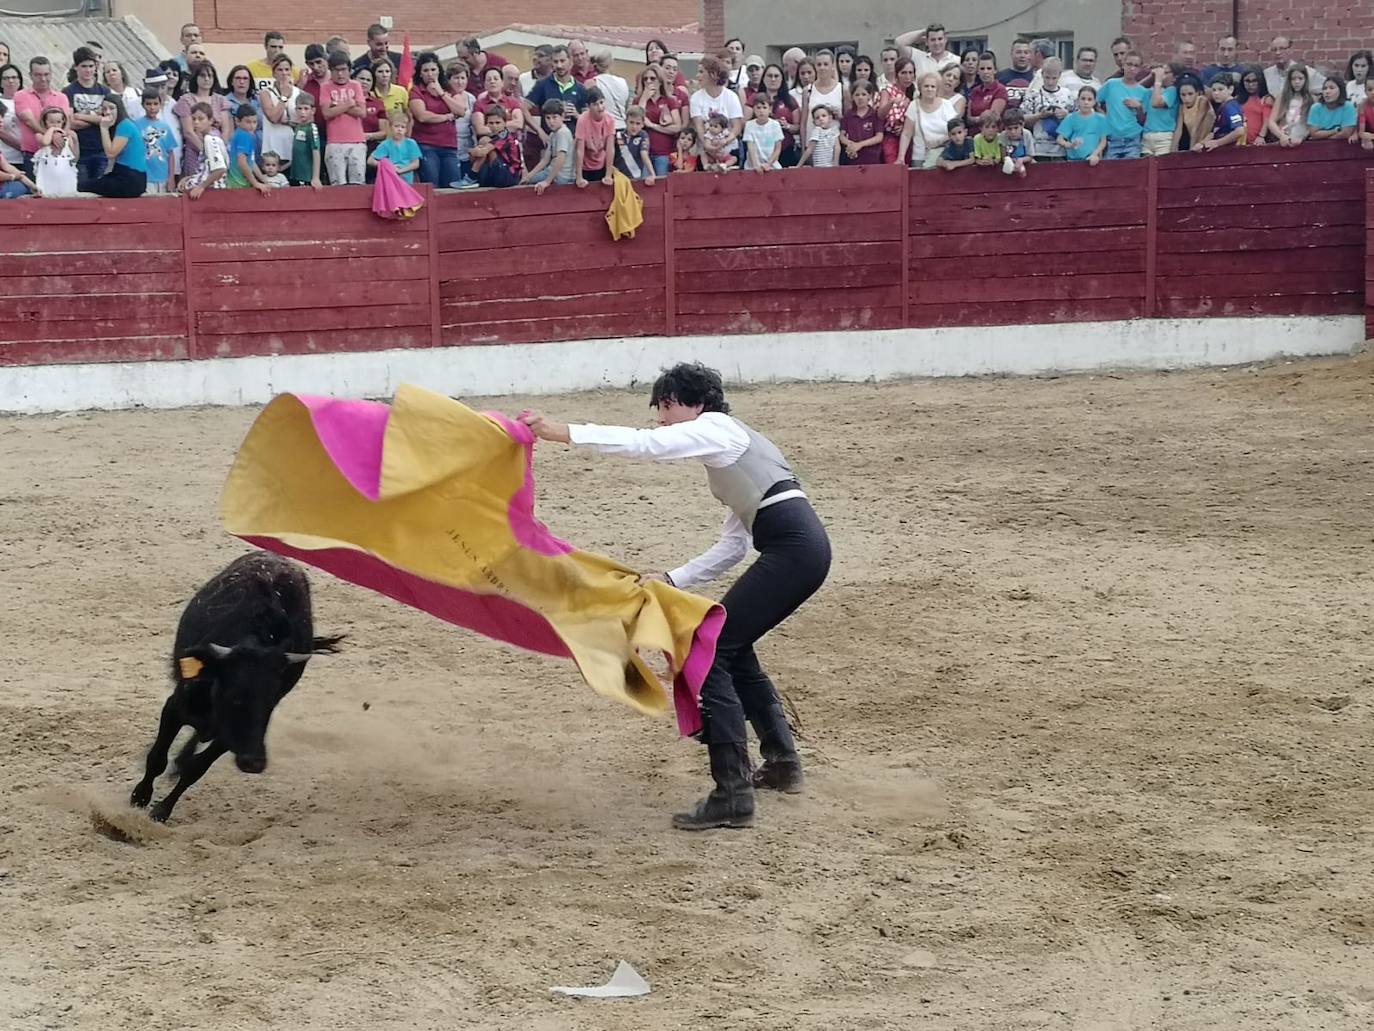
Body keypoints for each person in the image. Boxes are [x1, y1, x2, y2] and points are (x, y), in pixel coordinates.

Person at [519, 364, 831, 830]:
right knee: (733, 647)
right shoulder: (733, 448)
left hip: (795, 551)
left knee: (715, 651)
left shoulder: (718, 430)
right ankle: (782, 763)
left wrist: (560, 432)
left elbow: (647, 446)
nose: (661, 419)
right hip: (801, 549)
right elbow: (735, 544)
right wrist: (672, 577)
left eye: (666, 407)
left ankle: (733, 794)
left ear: (693, 403)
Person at [408, 52, 466, 187]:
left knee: (453, 185)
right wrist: (446, 117)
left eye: (433, 70)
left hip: (449, 146)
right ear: (420, 73)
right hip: (427, 145)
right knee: (431, 185)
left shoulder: (448, 89)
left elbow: (461, 110)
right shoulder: (416, 91)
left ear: (439, 71)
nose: (430, 74)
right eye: (426, 70)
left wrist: (441, 93)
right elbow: (422, 116)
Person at [80, 95, 147, 197]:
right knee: (90, 184)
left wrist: (103, 128)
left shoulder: (125, 125)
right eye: (104, 109)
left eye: (111, 108)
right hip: (124, 173)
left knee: (82, 186)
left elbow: (110, 153)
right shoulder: (122, 125)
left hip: (131, 178)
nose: (107, 112)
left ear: (119, 109)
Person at [174, 60, 229, 180]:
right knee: (195, 183)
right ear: (196, 78)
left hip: (217, 149)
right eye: (203, 75)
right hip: (195, 150)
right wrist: (205, 152)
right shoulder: (186, 100)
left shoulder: (220, 100)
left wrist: (218, 150)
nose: (207, 79)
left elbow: (226, 130)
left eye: (210, 76)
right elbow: (188, 132)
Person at [64, 46, 111, 182]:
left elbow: (109, 119)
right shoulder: (68, 91)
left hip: (101, 150)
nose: (88, 70)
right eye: (84, 66)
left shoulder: (105, 91)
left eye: (91, 66)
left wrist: (82, 116)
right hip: (80, 152)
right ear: (76, 67)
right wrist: (96, 118)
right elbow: (71, 122)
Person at [897, 71, 959, 169]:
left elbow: (956, 130)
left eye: (933, 86)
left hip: (946, 156)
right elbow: (906, 133)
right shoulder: (914, 105)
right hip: (921, 158)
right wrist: (901, 157)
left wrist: (940, 141)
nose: (929, 89)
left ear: (937, 89)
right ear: (920, 88)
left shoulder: (946, 105)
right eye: (926, 86)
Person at [321, 52, 366, 184]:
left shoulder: (355, 85)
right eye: (336, 70)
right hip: (335, 141)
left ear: (349, 70)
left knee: (357, 182)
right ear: (330, 70)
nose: (340, 74)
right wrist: (348, 104)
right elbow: (326, 113)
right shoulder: (326, 87)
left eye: (343, 70)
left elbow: (362, 112)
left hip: (357, 140)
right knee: (338, 182)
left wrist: (337, 106)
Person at [1097, 51, 1148, 159]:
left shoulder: (1143, 92)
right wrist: (1102, 116)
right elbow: (1094, 100)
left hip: (1133, 139)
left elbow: (1144, 121)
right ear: (1123, 65)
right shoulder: (1111, 84)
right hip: (1112, 138)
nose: (1132, 68)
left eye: (1136, 66)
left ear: (1140, 69)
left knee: (1131, 173)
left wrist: (1138, 107)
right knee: (1111, 173)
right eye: (1129, 64)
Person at [691, 55, 744, 155]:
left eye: (701, 72)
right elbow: (699, 126)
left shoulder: (731, 96)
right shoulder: (696, 98)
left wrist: (725, 141)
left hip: (729, 151)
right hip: (705, 152)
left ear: (713, 74)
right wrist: (708, 146)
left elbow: (736, 126)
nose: (697, 76)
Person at [1022, 57, 1073, 159]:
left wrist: (1066, 114)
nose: (1050, 82)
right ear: (1042, 75)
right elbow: (1022, 118)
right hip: (1038, 150)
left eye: (1054, 78)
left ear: (1060, 75)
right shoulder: (1033, 94)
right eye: (1047, 77)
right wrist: (1039, 115)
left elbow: (1078, 118)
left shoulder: (1067, 94)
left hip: (1061, 150)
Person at [259, 55, 301, 175]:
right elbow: (273, 117)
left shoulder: (299, 93)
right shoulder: (265, 93)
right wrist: (283, 97)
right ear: (274, 73)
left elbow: (304, 119)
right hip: (272, 151)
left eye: (287, 69)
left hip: (293, 146)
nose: (284, 73)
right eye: (280, 70)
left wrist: (286, 121)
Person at [637, 64, 681, 177]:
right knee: (644, 186)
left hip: (663, 153)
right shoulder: (638, 100)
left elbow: (677, 127)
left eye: (652, 78)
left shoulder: (670, 100)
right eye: (645, 79)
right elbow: (637, 123)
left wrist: (653, 126)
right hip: (643, 153)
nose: (648, 81)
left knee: (662, 185)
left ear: (660, 81)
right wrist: (643, 99)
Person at [522, 98, 574, 191]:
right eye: (548, 118)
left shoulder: (563, 132)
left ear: (562, 116)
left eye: (554, 117)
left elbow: (560, 159)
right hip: (551, 171)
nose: (551, 121)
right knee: (527, 180)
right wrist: (529, 176)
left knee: (530, 186)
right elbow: (545, 159)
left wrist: (547, 181)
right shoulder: (553, 134)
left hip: (561, 175)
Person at [177, 102, 228, 196]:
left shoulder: (210, 140)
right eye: (193, 119)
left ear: (210, 120)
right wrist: (189, 178)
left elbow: (220, 169)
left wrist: (201, 187)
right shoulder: (208, 139)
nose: (196, 122)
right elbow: (208, 170)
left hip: (212, 192)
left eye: (201, 119)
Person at [465, 105, 522, 188]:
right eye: (491, 123)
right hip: (496, 172)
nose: (494, 126)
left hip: (510, 175)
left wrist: (470, 151)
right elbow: (475, 156)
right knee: (484, 141)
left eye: (498, 123)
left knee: (486, 145)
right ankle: (474, 179)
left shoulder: (504, 135)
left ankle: (471, 177)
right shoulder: (492, 136)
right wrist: (474, 152)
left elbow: (482, 152)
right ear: (486, 124)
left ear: (504, 123)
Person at [133, 89, 175, 193]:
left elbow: (170, 153)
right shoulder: (136, 125)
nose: (152, 107)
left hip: (162, 176)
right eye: (148, 104)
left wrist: (171, 177)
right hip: (144, 177)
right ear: (143, 105)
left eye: (155, 104)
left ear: (160, 105)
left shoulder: (165, 127)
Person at [573, 85, 615, 185]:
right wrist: (579, 177)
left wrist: (608, 175)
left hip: (601, 163)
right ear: (588, 106)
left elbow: (610, 149)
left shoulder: (610, 120)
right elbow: (579, 150)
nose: (600, 107)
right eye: (595, 104)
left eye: (601, 103)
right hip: (585, 166)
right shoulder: (582, 120)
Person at [1057, 85, 1108, 164]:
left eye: (1089, 99)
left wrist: (1094, 155)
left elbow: (1103, 142)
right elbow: (1060, 139)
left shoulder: (1101, 119)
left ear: (1094, 102)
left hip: (1093, 160)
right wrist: (1069, 145)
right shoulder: (1070, 118)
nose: (1086, 102)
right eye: (1083, 99)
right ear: (1078, 100)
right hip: (1073, 161)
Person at [1194, 73, 1246, 150]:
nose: (1216, 93)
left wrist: (1217, 142)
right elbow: (1214, 132)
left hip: (1230, 152)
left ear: (1230, 89)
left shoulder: (1230, 107)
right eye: (1214, 90)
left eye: (1220, 89)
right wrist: (1202, 143)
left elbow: (1239, 131)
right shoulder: (1222, 107)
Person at [878, 57, 915, 164]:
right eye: (903, 73)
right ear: (897, 74)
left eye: (910, 73)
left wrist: (904, 127)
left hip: (909, 138)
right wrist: (892, 102)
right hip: (890, 138)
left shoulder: (915, 93)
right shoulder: (887, 90)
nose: (907, 77)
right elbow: (880, 114)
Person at [33, 108, 78, 196]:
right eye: (51, 122)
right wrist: (52, 130)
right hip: (47, 177)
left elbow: (74, 157)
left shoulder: (67, 138)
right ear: (45, 122)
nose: (55, 125)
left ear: (63, 122)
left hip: (66, 177)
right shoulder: (39, 136)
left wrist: (74, 139)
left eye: (58, 122)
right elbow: (45, 142)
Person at [225, 104, 269, 192]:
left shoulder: (245, 135)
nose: (252, 126)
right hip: (237, 184)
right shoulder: (244, 136)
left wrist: (264, 180)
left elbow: (251, 162)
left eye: (254, 122)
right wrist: (255, 183)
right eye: (248, 122)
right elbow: (242, 162)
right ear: (237, 121)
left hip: (240, 184)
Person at [1266, 65, 1313, 147]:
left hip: (1302, 141)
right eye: (1293, 79)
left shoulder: (1311, 99)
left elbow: (1312, 125)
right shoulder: (1282, 97)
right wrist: (1281, 136)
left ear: (1306, 80)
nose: (1297, 82)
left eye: (1300, 78)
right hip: (1283, 138)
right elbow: (1271, 122)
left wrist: (1302, 137)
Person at [368, 108, 421, 181]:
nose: (399, 129)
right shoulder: (385, 144)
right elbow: (370, 161)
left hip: (408, 179)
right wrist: (387, 167)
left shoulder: (411, 143)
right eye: (396, 126)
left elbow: (416, 163)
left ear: (406, 129)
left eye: (402, 127)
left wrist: (401, 170)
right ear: (390, 127)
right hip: (390, 178)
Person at [840, 79, 883, 165]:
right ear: (852, 97)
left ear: (870, 96)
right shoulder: (848, 115)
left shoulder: (875, 114)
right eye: (857, 95)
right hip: (853, 158)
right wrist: (851, 145)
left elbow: (879, 137)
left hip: (872, 158)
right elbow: (842, 136)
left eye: (864, 94)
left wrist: (860, 145)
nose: (860, 97)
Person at [1305, 75, 1357, 141]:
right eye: (1325, 88)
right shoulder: (1315, 108)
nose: (1327, 91)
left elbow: (1346, 134)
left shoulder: (1348, 106)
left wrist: (1324, 138)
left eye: (1332, 88)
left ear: (1340, 90)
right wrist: (1336, 131)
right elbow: (1314, 134)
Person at [287, 93, 323, 188]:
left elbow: (316, 152)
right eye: (299, 108)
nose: (302, 112)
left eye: (306, 109)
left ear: (313, 110)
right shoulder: (298, 127)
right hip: (295, 174)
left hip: (306, 175)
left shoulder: (311, 128)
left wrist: (315, 177)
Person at [1143, 65, 1179, 155]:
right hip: (1147, 135)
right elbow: (1134, 90)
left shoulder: (1172, 90)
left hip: (1164, 136)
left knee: (1161, 166)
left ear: (1174, 77)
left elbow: (1156, 103)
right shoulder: (1152, 91)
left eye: (1166, 73)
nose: (1163, 75)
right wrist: (1151, 77)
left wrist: (1158, 81)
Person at [1172, 74, 1214, 152]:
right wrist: (1172, 151)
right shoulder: (1182, 107)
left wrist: (1191, 150)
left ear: (1197, 93)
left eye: (1190, 94)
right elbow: (1178, 130)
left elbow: (1196, 127)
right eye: (1183, 95)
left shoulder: (1202, 101)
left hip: (1208, 141)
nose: (1186, 98)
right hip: (1195, 142)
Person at [742, 93, 783, 171]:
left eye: (764, 107)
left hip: (771, 166)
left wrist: (768, 164)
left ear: (770, 109)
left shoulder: (775, 125)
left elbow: (777, 148)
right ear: (754, 109)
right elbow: (750, 147)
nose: (761, 111)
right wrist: (755, 166)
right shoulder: (749, 125)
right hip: (752, 167)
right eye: (758, 108)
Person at [614, 104, 655, 182]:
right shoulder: (618, 135)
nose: (634, 126)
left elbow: (644, 153)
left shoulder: (643, 135)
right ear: (626, 122)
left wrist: (652, 174)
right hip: (618, 178)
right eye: (631, 122)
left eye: (638, 123)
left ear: (643, 124)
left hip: (635, 178)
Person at [591, 50, 630, 129]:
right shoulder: (623, 82)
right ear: (611, 63)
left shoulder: (593, 83)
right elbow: (627, 106)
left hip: (603, 127)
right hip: (622, 126)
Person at [1236, 65, 1273, 145]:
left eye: (1254, 81)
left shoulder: (1265, 99)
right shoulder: (1237, 100)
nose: (1251, 85)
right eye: (1247, 81)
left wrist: (1261, 136)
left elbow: (1267, 120)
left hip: (1258, 142)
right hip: (1239, 142)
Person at [968, 53, 1009, 124]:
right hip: (972, 133)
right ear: (977, 71)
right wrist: (980, 118)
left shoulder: (1000, 89)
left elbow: (992, 118)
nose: (985, 72)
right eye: (982, 69)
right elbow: (968, 118)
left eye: (989, 68)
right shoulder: (974, 91)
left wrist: (976, 119)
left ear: (995, 70)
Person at [997, 38, 1036, 107]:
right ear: (1011, 54)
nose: (1022, 56)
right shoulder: (999, 77)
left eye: (1026, 52)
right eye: (1018, 52)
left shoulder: (1037, 78)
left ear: (1030, 55)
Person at [999, 108, 1034, 175]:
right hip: (1009, 164)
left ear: (1022, 125)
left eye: (1016, 128)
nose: (1013, 132)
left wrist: (1021, 160)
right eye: (1009, 129)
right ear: (1005, 127)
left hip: (1026, 163)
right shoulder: (1003, 136)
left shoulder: (1027, 134)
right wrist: (1012, 161)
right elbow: (1003, 157)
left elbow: (1030, 156)